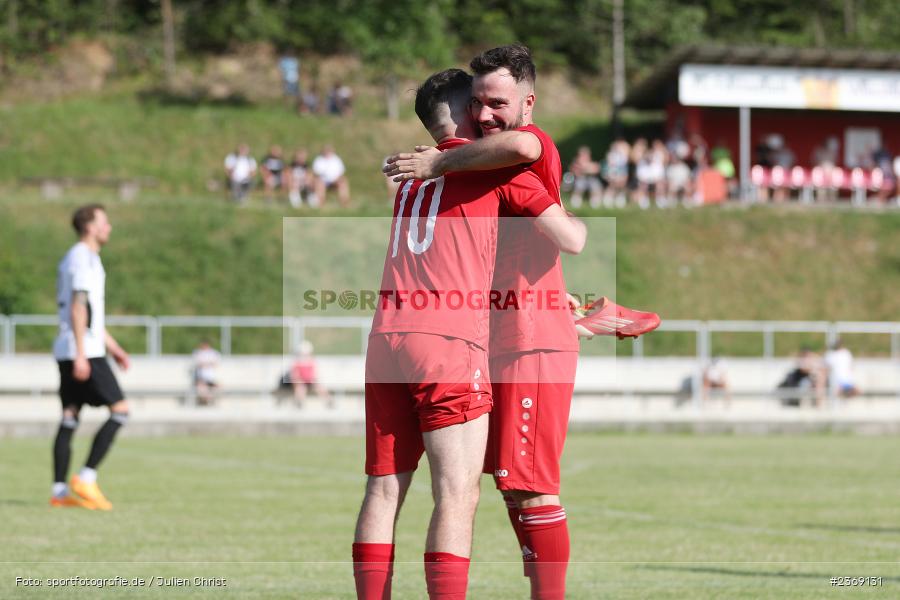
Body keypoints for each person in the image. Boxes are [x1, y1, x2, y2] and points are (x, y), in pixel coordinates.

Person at [383, 45, 659, 600]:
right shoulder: (485, 165)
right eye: (478, 103)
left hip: (530, 342)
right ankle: (583, 317)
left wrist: (440, 160)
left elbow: (530, 152)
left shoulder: (524, 151)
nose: (486, 115)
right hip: (500, 335)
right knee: (507, 486)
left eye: (498, 103)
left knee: (531, 488)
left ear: (528, 101)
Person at [354, 68, 587, 600]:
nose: (487, 117)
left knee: (384, 489)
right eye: (478, 106)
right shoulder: (495, 169)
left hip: (386, 337)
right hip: (448, 342)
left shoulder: (410, 177)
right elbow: (570, 237)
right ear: (465, 113)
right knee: (456, 493)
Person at [51, 204, 130, 511]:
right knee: (120, 410)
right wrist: (83, 355)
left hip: (71, 346)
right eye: (104, 222)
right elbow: (78, 307)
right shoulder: (83, 258)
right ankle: (85, 477)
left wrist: (114, 346)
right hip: (83, 350)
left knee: (70, 415)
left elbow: (89, 315)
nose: (109, 227)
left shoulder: (78, 257)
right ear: (90, 227)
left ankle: (59, 492)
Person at [288, 340, 331, 407]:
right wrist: (299, 381)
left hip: (310, 381)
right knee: (301, 388)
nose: (305, 356)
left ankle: (328, 400)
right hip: (300, 382)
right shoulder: (297, 362)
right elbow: (295, 376)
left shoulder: (312, 361)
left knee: (320, 387)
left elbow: (314, 374)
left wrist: (313, 380)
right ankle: (298, 403)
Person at [191, 339, 221, 406]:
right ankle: (205, 403)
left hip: (211, 379)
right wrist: (208, 363)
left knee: (217, 388)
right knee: (201, 387)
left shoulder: (214, 353)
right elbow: (199, 363)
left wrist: (205, 364)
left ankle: (208, 402)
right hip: (201, 379)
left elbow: (214, 363)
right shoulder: (197, 353)